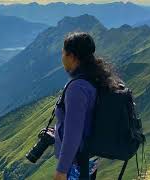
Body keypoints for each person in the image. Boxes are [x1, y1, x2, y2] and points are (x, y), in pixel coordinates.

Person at [53, 32, 123, 180]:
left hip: (76, 162)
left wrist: (61, 170)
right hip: (91, 157)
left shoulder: (77, 88)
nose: (62, 58)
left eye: (63, 53)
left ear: (72, 56)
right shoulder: (98, 78)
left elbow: (73, 133)